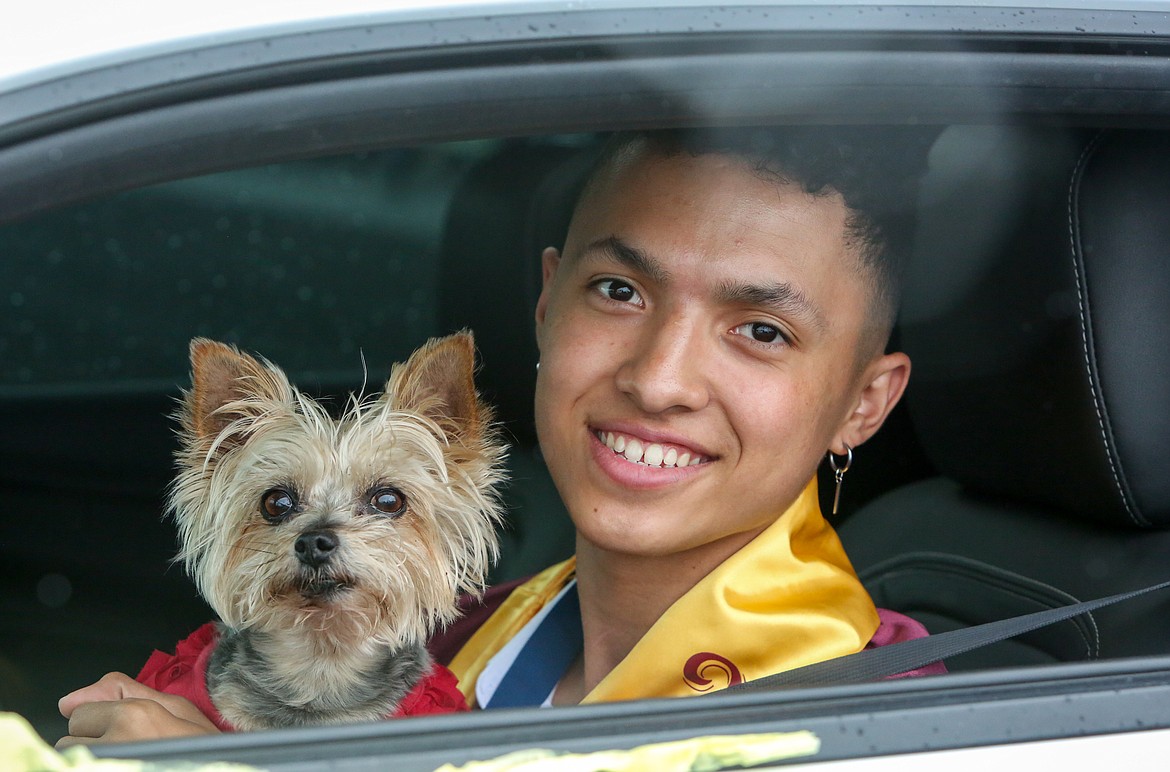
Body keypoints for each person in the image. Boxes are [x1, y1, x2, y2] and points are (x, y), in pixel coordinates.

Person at [57, 125, 940, 743]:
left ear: (865, 403)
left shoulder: (881, 714)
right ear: (547, 303)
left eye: (761, 330)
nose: (658, 380)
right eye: (621, 293)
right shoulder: (459, 634)